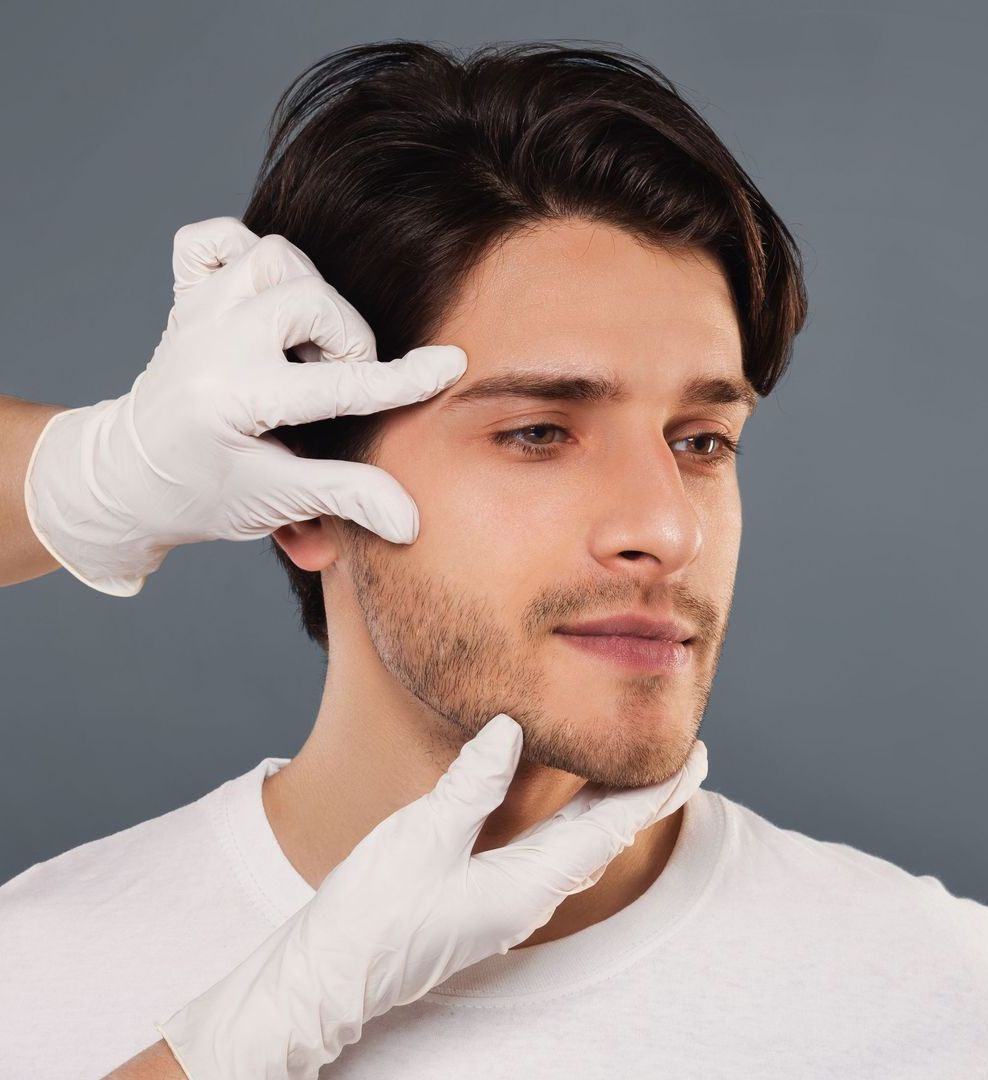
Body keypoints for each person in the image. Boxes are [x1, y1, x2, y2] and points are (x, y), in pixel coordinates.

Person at [2, 39, 986, 1080]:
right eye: (537, 434)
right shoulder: (30, 979)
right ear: (296, 493)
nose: (667, 529)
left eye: (699, 441)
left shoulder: (942, 1001)